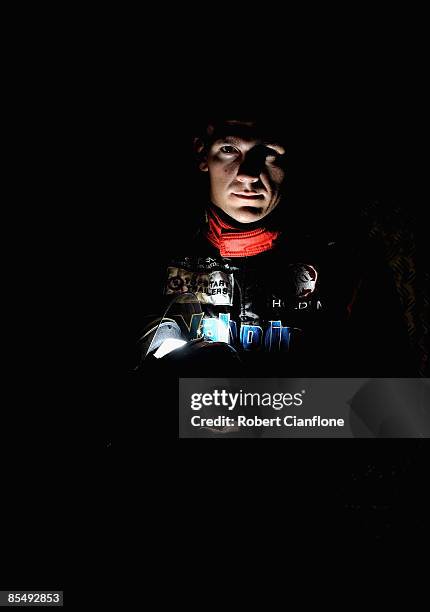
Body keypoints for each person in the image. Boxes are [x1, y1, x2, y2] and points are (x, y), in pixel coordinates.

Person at [134, 114, 415, 378]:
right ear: (202, 152)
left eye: (267, 152)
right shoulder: (154, 249)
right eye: (229, 149)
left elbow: (396, 405)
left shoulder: (343, 257)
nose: (248, 174)